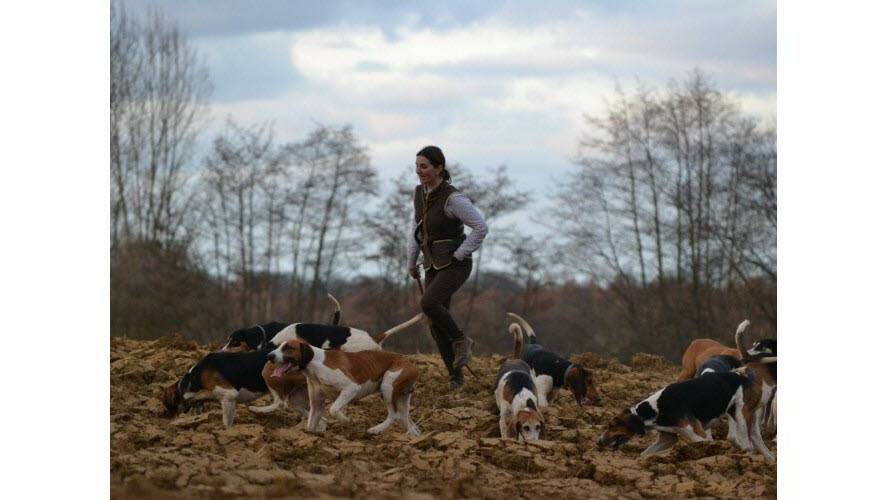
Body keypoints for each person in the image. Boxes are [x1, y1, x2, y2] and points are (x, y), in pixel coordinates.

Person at [407, 145, 488, 389]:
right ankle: (456, 378)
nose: (419, 171)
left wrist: (460, 254)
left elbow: (481, 227)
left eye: (424, 166)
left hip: (455, 265)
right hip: (432, 264)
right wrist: (411, 261)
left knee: (428, 303)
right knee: (435, 324)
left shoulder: (454, 198)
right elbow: (416, 230)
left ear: (439, 168)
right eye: (417, 166)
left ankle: (461, 340)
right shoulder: (420, 194)